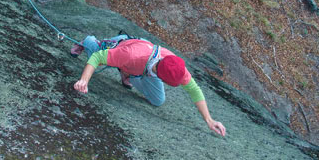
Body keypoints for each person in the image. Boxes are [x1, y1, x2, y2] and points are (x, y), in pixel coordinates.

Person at [72, 34, 226, 136]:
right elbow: (98, 57)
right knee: (95, 51)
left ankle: (127, 73)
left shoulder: (174, 65)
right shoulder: (131, 56)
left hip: (146, 66)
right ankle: (88, 41)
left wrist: (209, 120)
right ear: (161, 77)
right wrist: (84, 80)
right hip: (124, 47)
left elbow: (194, 89)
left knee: (157, 100)